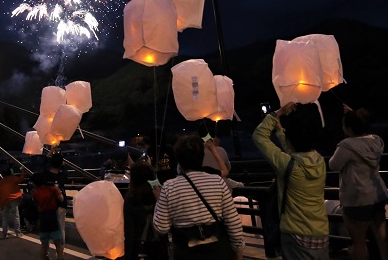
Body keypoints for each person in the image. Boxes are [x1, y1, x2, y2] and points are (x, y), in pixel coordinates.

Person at [253, 102, 329, 260]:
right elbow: (296, 151)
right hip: (321, 232)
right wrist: (281, 131)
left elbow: (259, 136)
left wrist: (278, 112)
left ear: (290, 140)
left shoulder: (289, 165)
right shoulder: (319, 161)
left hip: (295, 232)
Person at [153, 135, 245, 260]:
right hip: (218, 250)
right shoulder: (217, 181)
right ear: (202, 157)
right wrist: (238, 253)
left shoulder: (169, 187)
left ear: (179, 160)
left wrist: (159, 200)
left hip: (186, 252)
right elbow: (233, 222)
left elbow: (161, 228)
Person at [329, 105, 388, 260]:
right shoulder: (376, 141)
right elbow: (362, 132)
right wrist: (354, 115)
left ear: (348, 128)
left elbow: (333, 165)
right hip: (377, 196)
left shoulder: (347, 146)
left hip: (357, 199)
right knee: (382, 238)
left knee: (359, 242)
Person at [124, 161, 168, 260]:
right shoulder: (158, 196)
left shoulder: (130, 200)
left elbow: (129, 233)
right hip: (159, 248)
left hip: (140, 250)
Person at [31, 172, 64, 260]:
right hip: (52, 216)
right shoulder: (52, 189)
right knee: (58, 242)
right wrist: (58, 190)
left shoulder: (35, 194)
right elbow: (61, 199)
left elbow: (37, 205)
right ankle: (60, 258)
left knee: (44, 244)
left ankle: (44, 258)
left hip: (43, 217)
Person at [44, 149, 69, 245]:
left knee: (50, 227)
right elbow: (64, 168)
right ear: (61, 163)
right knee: (61, 227)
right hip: (61, 204)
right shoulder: (63, 175)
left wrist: (50, 151)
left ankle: (48, 246)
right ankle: (60, 250)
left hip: (49, 204)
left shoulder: (46, 174)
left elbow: (44, 162)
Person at [0, 166, 26, 238]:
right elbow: (21, 179)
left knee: (5, 217)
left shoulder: (1, 182)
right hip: (13, 199)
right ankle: (18, 232)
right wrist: (22, 172)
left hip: (4, 200)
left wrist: (1, 203)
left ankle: (4, 233)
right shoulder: (12, 178)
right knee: (16, 216)